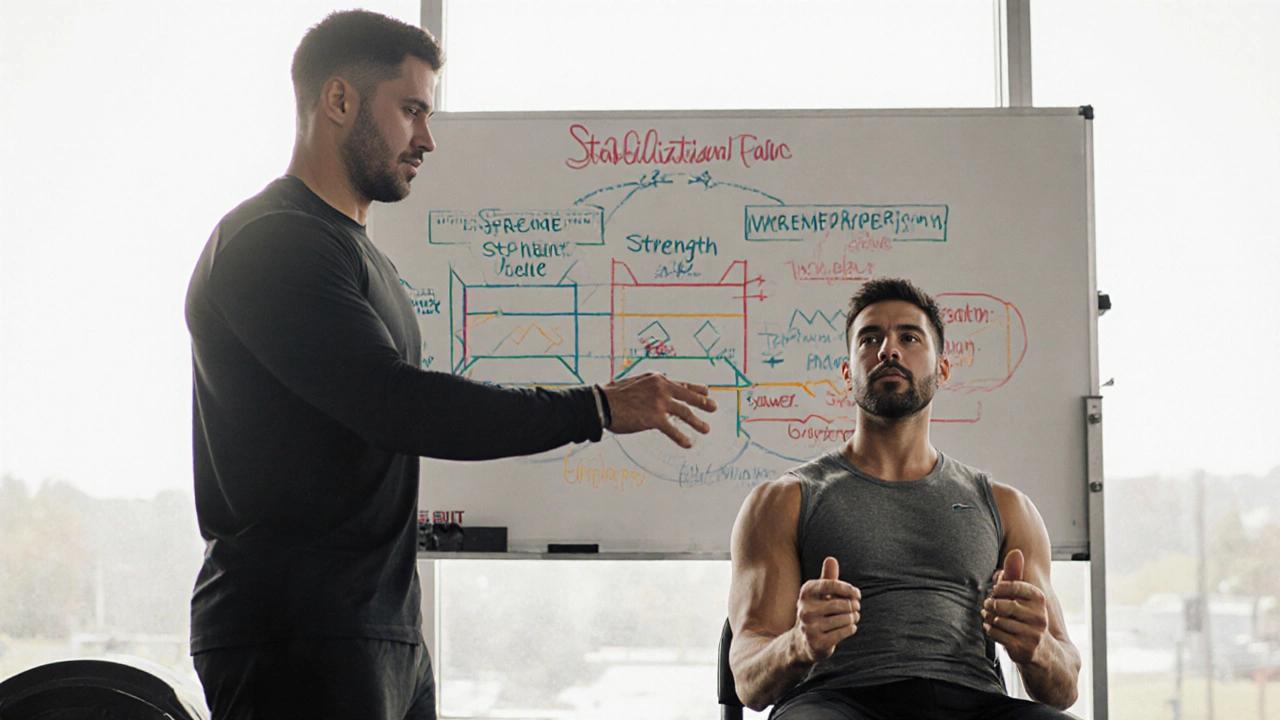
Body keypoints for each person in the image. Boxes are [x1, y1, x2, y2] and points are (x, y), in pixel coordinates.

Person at [184, 10, 715, 719]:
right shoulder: (273, 242)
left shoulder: (354, 251)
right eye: (411, 111)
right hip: (296, 633)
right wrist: (595, 408)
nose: (427, 139)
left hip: (380, 628)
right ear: (338, 100)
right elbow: (395, 404)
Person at [727, 278, 1079, 719]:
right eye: (869, 339)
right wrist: (798, 644)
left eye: (909, 338)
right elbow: (748, 680)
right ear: (847, 373)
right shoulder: (783, 501)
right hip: (837, 703)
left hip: (974, 704)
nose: (888, 351)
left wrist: (1037, 649)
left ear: (943, 369)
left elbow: (1064, 687)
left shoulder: (1006, 508)